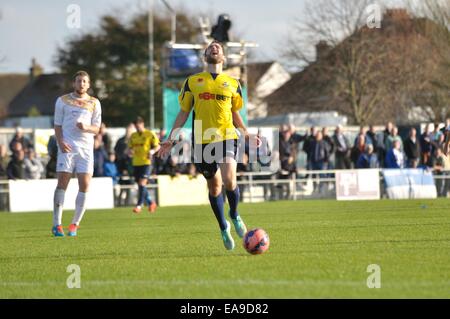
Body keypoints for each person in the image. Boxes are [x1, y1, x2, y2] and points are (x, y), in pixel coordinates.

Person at [156, 40, 261, 251]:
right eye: (211, 47)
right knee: (214, 186)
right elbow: (184, 112)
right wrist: (172, 137)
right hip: (201, 140)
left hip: (226, 136)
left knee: (230, 179)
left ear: (223, 57)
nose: (215, 48)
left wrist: (246, 134)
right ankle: (223, 226)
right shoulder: (193, 81)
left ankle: (234, 214)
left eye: (219, 47)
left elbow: (234, 113)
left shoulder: (233, 83)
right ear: (205, 56)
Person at [51, 70, 102, 237]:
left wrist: (86, 128)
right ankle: (57, 224)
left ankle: (74, 224)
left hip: (86, 149)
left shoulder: (94, 102)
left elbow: (97, 128)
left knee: (85, 185)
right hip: (67, 147)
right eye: (79, 81)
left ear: (89, 84)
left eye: (84, 81)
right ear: (74, 83)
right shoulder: (62, 101)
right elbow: (57, 125)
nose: (81, 84)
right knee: (62, 183)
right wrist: (60, 142)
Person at [128, 116, 160, 214]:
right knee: (141, 185)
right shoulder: (133, 136)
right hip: (136, 162)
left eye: (138, 126)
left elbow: (158, 146)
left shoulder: (150, 134)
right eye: (135, 126)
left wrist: (152, 151)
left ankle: (139, 205)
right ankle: (151, 202)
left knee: (142, 183)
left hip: (147, 162)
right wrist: (130, 152)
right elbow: (130, 148)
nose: (137, 128)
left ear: (142, 124)